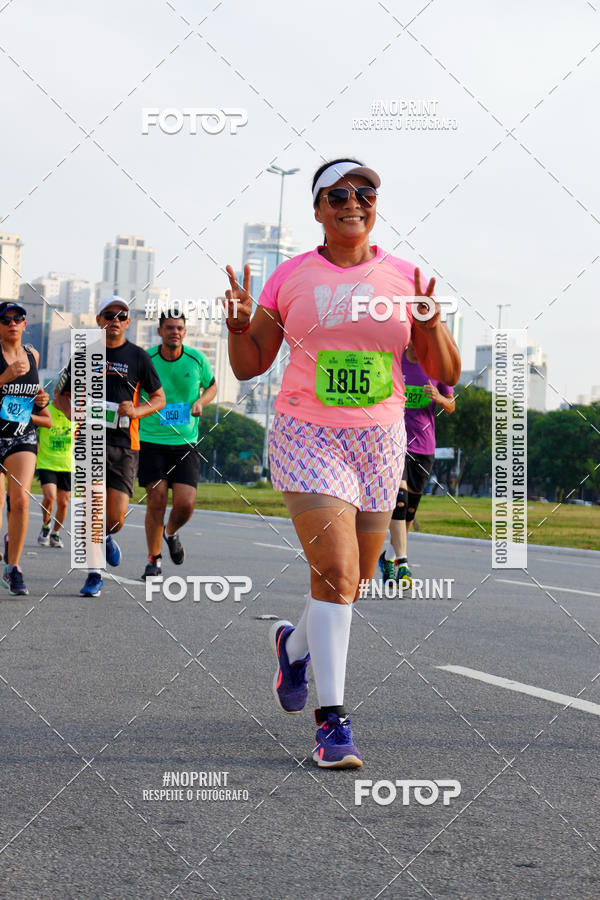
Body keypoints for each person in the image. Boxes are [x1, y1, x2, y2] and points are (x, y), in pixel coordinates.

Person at [225, 158, 460, 768]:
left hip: (380, 442)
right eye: (338, 194)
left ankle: (292, 646)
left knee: (350, 581)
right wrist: (235, 325)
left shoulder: (406, 276)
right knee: (334, 566)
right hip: (308, 434)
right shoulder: (292, 277)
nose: (354, 201)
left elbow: (446, 372)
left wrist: (430, 324)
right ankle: (332, 722)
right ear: (317, 208)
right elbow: (251, 364)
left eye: (366, 191)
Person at [54, 296, 165, 596]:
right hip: (89, 439)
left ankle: (106, 536)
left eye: (121, 315)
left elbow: (159, 398)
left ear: (128, 322)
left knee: (115, 517)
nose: (115, 320)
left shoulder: (139, 357)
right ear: (98, 320)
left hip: (125, 444)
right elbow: (59, 396)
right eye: (108, 314)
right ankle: (94, 573)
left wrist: (136, 411)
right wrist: (73, 412)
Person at [138, 310, 216, 579]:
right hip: (151, 440)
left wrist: (200, 402)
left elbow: (212, 386)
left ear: (185, 331)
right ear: (159, 331)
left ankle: (170, 532)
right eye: (169, 327)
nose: (175, 332)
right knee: (156, 499)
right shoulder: (146, 359)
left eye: (180, 328)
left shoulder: (197, 359)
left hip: (185, 442)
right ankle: (154, 559)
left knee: (186, 504)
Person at [379, 342, 455, 586]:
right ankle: (403, 563)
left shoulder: (436, 366)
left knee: (409, 514)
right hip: (395, 442)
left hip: (424, 446)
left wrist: (439, 397)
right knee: (399, 502)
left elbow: (451, 405)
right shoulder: (393, 359)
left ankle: (388, 559)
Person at [0, 301, 50, 595]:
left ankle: (13, 568)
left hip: (21, 435)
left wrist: (41, 400)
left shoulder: (32, 354)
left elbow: (34, 395)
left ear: (25, 324)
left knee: (19, 501)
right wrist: (5, 378)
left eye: (18, 318)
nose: (12, 323)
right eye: (6, 319)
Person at [36, 399, 72, 549]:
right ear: (58, 394)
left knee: (63, 503)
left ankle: (55, 533)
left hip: (67, 464)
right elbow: (33, 430)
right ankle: (46, 525)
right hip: (46, 462)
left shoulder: (76, 412)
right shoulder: (46, 410)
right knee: (50, 497)